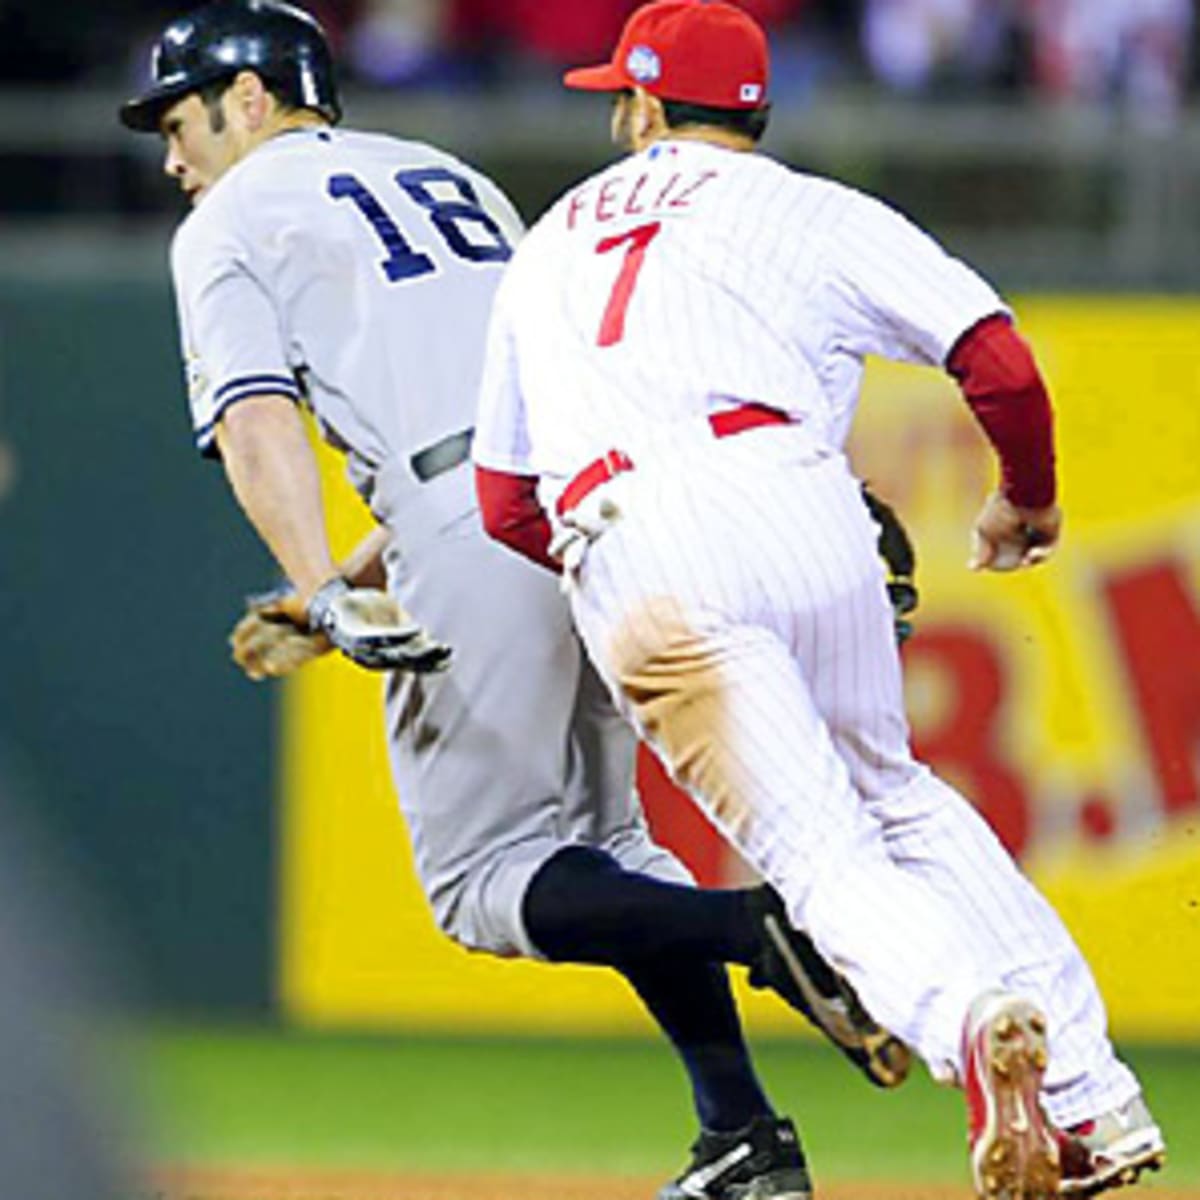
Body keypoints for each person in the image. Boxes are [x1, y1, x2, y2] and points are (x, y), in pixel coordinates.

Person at [118, 5, 911, 1199]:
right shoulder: (454, 176)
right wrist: (357, 576)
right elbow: (513, 404)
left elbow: (253, 412)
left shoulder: (229, 218)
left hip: (468, 516)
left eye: (179, 120)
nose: (171, 156)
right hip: (582, 506)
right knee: (616, 849)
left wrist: (320, 581)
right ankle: (741, 1137)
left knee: (483, 882)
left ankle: (766, 933)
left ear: (248, 100)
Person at [470, 2, 1166, 1198]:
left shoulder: (549, 241)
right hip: (802, 493)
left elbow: (501, 501)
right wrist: (1027, 501)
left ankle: (967, 1021)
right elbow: (995, 358)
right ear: (753, 110)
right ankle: (1098, 1106)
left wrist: (614, 573)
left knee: (819, 857)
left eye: (617, 99)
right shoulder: (813, 208)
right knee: (899, 797)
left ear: (640, 108)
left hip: (633, 521)